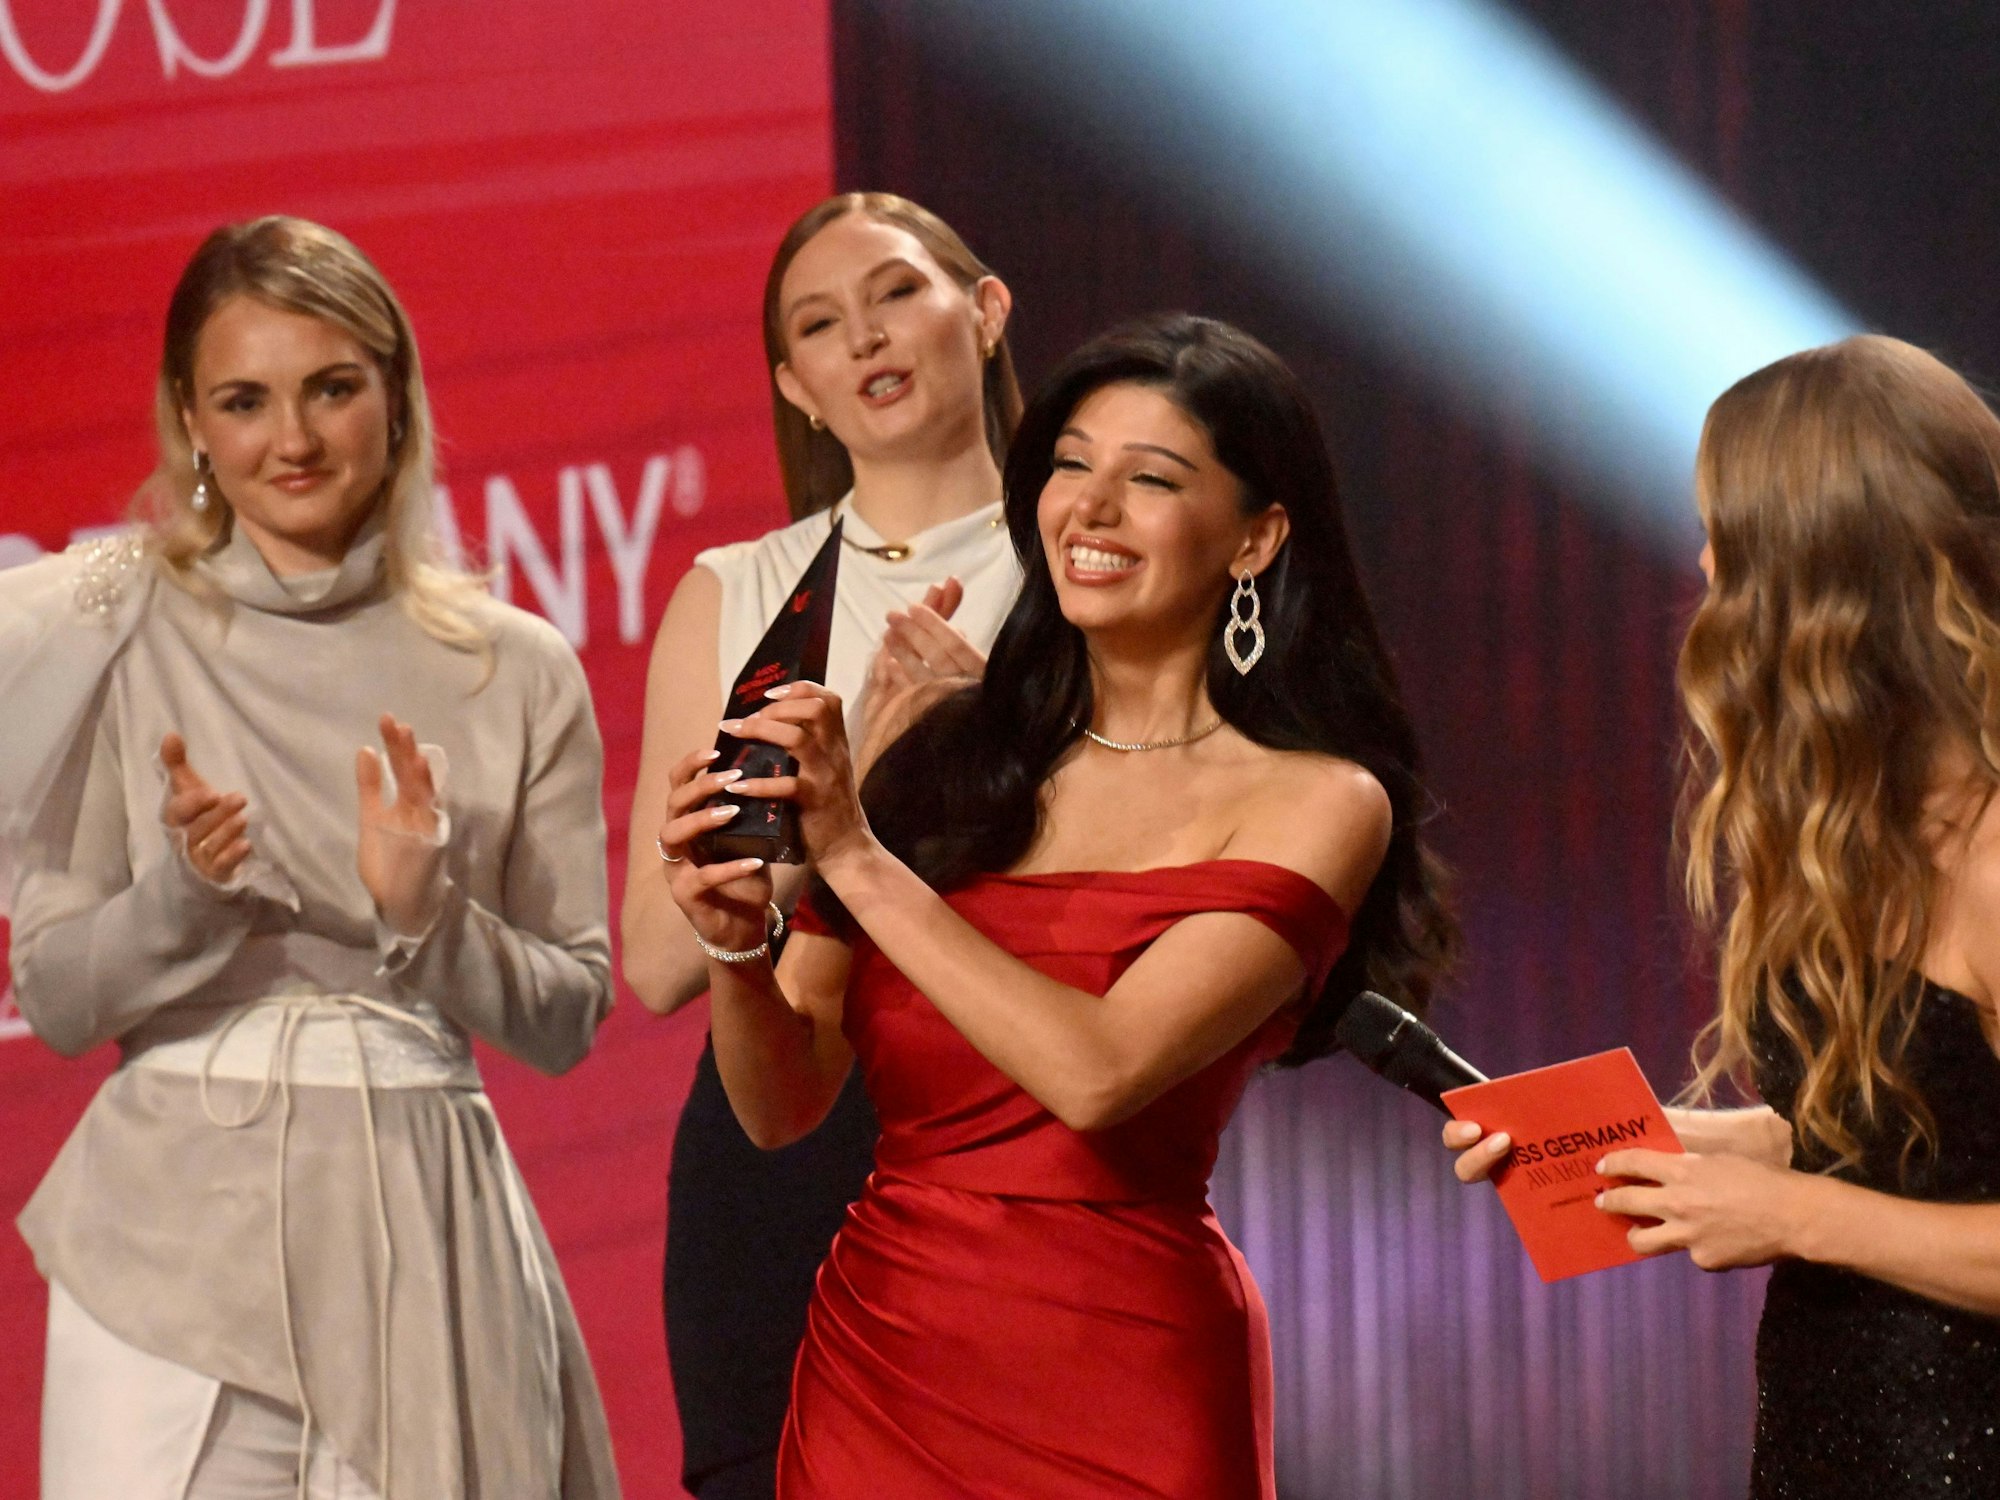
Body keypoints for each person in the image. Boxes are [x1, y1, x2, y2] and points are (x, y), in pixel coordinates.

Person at [657, 313, 1457, 1497]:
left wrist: (856, 855)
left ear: (1255, 537)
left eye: (1152, 479)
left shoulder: (1317, 801)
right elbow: (783, 1109)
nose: (1090, 507)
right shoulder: (945, 766)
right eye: (1070, 465)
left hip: (1123, 1371)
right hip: (885, 1361)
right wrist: (737, 948)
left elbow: (1098, 1073)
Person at [4, 217, 619, 1498]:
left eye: (331, 388)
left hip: (428, 1229)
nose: (292, 440)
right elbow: (59, 999)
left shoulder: (515, 665)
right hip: (168, 1250)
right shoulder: (101, 623)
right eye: (245, 400)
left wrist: (429, 915)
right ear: (192, 422)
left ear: (394, 395)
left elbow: (568, 1015)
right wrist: (182, 898)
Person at [1446, 335, 2000, 1498]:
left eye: (1727, 536)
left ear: (1823, 573)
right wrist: (1670, 1147)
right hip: (1834, 1438)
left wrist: (1790, 1211)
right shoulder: (1861, 814)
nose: (1700, 562)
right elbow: (1929, 1139)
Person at [619, 192, 1023, 1499]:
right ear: (797, 385)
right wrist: (857, 784)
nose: (867, 337)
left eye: (897, 293)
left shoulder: (1082, 560)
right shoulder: (741, 592)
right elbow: (663, 957)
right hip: (786, 1134)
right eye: (820, 324)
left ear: (986, 308)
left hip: (1020, 1121)